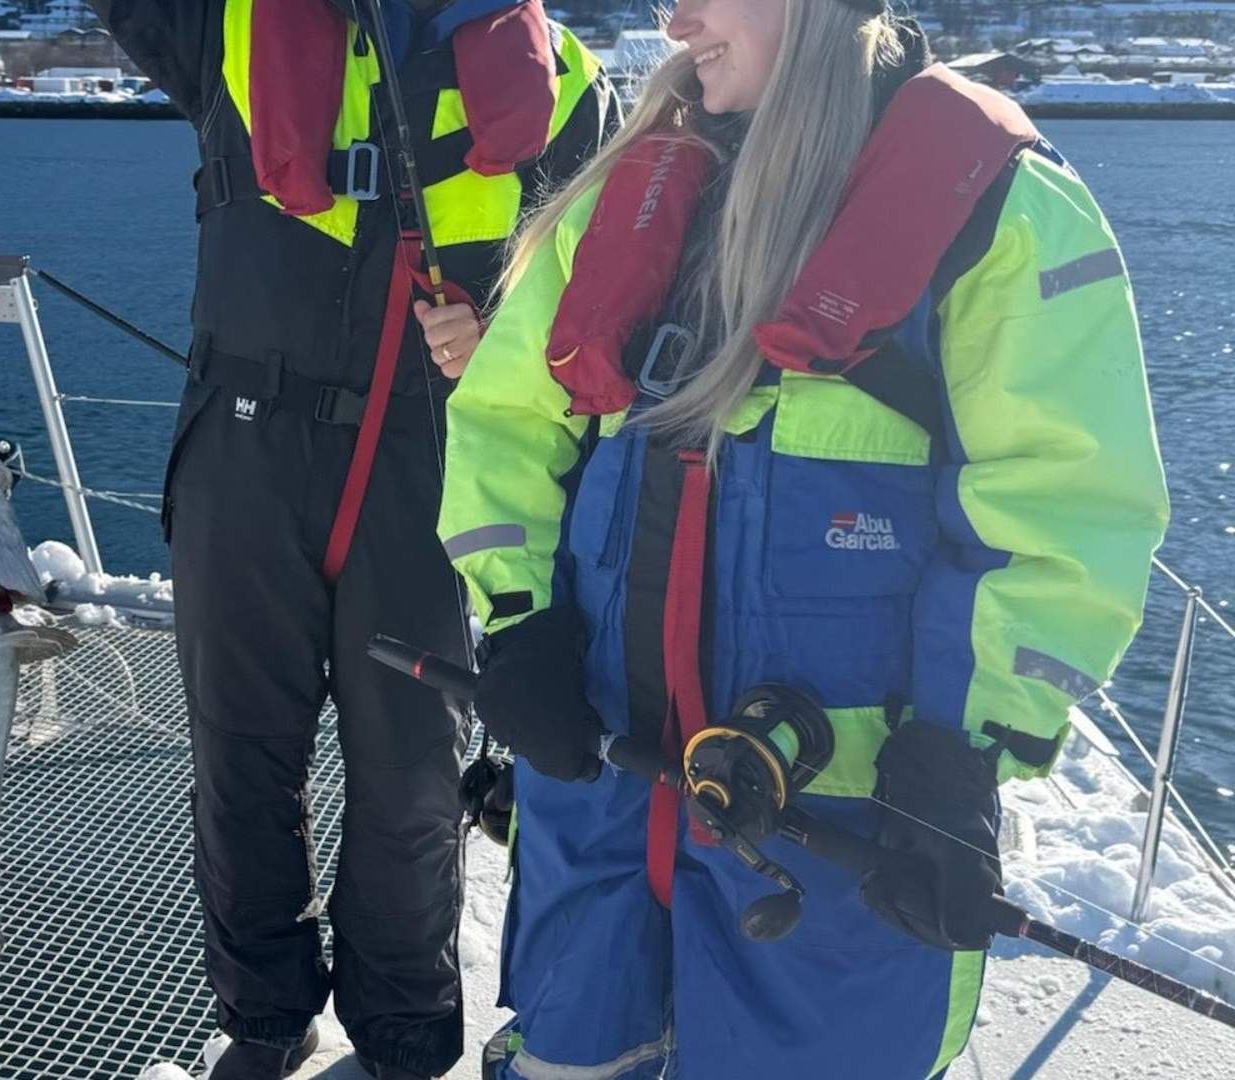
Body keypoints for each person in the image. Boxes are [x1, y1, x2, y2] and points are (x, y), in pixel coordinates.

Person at [437, 1, 1169, 1078]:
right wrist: (519, 623)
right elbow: (503, 425)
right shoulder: (630, 196)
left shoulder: (998, 207)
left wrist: (960, 754)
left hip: (837, 826)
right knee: (567, 1058)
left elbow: (1067, 505)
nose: (674, 18)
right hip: (595, 783)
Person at [85, 1, 615, 1076]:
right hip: (243, 460)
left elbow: (611, 290)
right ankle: (265, 1017)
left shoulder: (559, 76)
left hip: (428, 472)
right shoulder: (220, 23)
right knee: (240, 759)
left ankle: (407, 1037)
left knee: (413, 776)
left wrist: (501, 328)